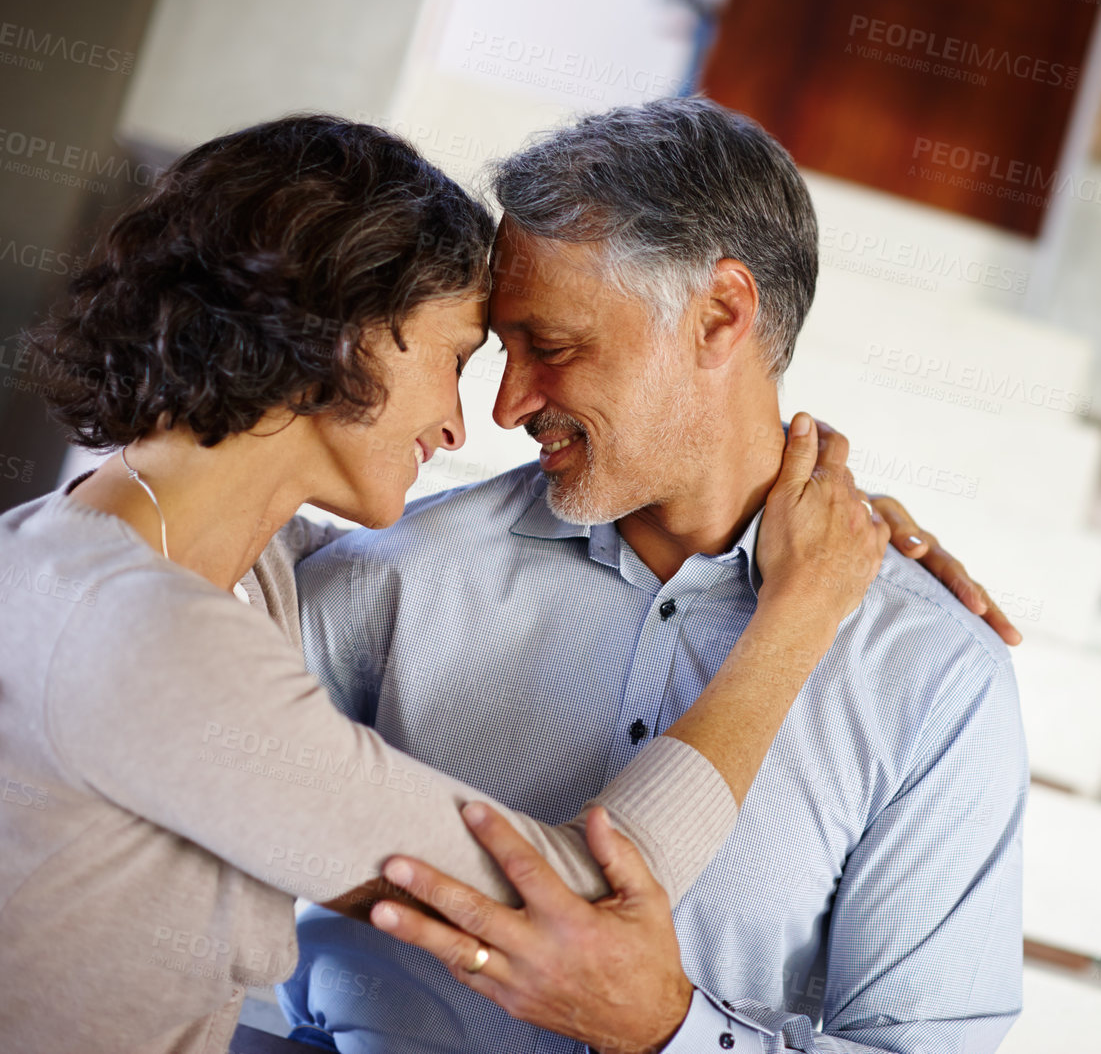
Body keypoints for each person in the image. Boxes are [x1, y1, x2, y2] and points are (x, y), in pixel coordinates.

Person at [0, 115, 974, 1054]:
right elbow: (573, 910)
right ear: (342, 332)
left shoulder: (184, 564)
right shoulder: (164, 631)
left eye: (539, 348)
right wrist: (799, 614)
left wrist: (829, 525)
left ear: (723, 314)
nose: (480, 417)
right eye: (466, 355)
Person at [280, 98, 1029, 1054]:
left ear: (722, 314)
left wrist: (674, 1033)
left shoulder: (932, 680)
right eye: (500, 352)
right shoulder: (394, 572)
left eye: (550, 347)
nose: (507, 408)